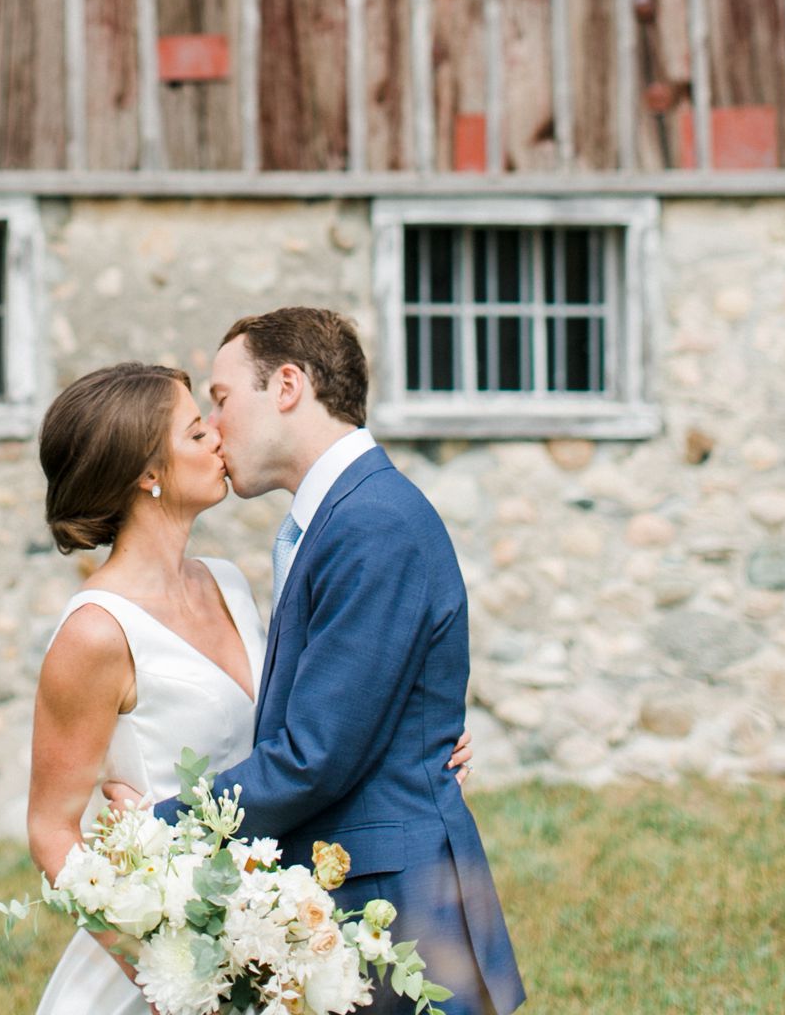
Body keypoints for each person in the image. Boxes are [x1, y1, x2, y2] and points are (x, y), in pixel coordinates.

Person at [104, 312, 526, 1015]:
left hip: (397, 905)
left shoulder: (373, 521)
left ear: (289, 386)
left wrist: (160, 824)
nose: (213, 425)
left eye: (223, 397)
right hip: (355, 889)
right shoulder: (335, 517)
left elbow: (315, 755)